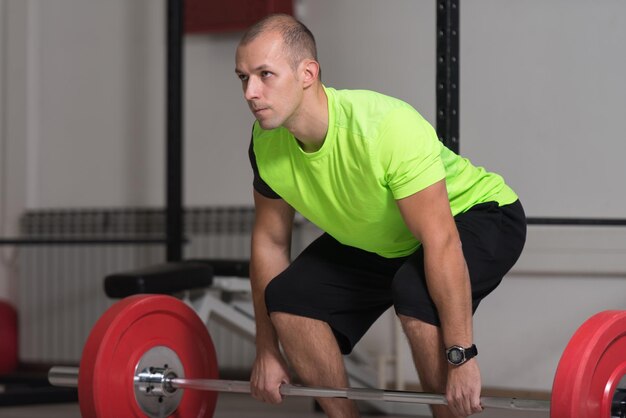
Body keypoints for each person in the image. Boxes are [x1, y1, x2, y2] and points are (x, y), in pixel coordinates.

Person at [235, 13, 526, 418]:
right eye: (243, 77)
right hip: (386, 237)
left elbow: (440, 240)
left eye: (265, 74)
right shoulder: (266, 144)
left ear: (307, 73)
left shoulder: (383, 128)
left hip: (479, 215)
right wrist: (267, 350)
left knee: (415, 290)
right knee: (288, 297)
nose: (251, 91)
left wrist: (461, 358)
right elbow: (269, 242)